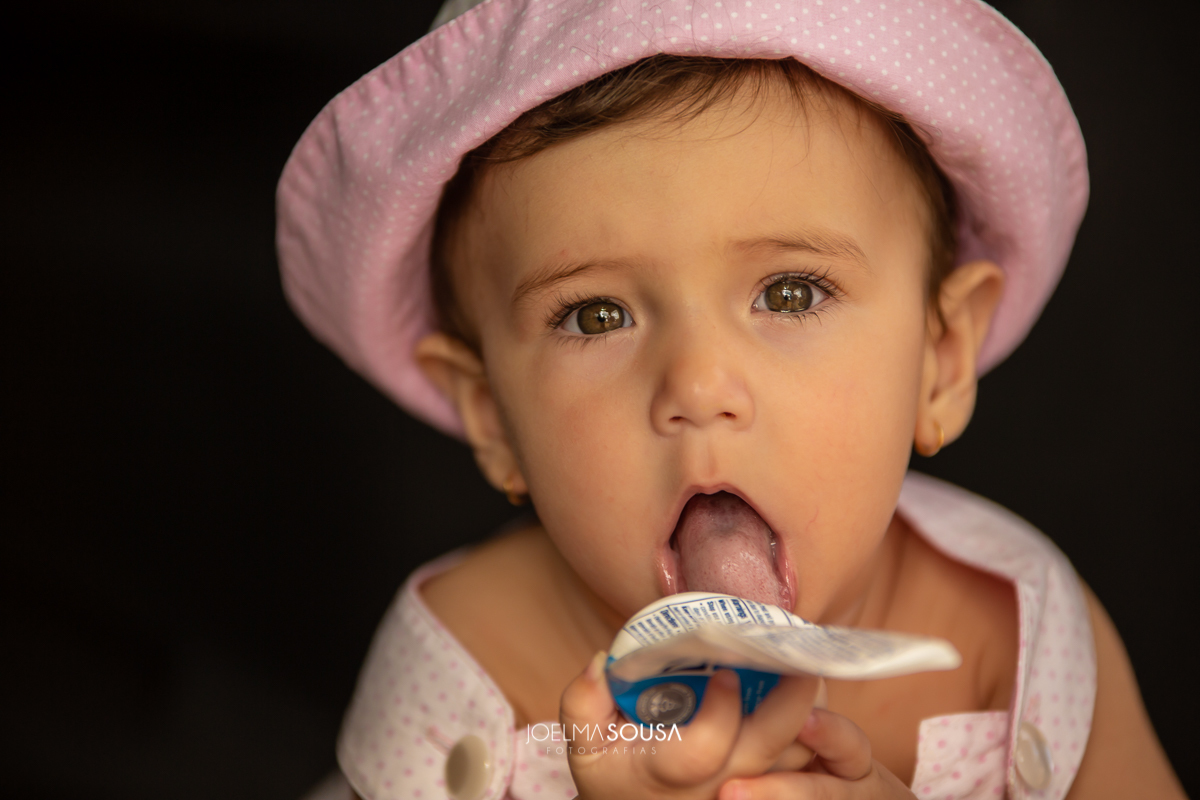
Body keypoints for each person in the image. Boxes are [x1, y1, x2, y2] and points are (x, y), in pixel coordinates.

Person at [276, 1, 1185, 798]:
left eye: (790, 294)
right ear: (493, 417)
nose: (699, 387)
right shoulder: (462, 668)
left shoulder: (1014, 634)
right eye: (597, 315)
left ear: (939, 360)